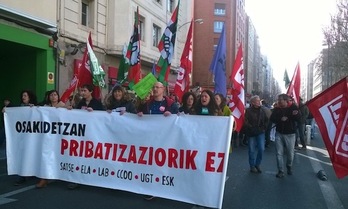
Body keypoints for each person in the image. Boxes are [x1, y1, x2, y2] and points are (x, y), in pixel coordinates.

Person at [137, 82, 179, 200]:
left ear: (163, 89)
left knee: (163, 163)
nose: (155, 89)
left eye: (157, 87)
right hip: (149, 139)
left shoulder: (171, 105)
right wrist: (139, 115)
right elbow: (138, 116)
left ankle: (165, 185)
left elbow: (180, 119)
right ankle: (151, 188)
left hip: (166, 140)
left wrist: (172, 116)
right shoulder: (146, 104)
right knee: (150, 164)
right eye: (153, 87)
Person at [67, 84, 104, 189]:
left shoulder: (97, 103)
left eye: (85, 90)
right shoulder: (80, 103)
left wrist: (94, 113)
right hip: (81, 134)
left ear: (91, 91)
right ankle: (76, 179)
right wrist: (71, 110)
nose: (82, 93)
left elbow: (102, 117)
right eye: (81, 91)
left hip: (93, 134)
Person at [270, 94, 301, 178]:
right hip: (279, 133)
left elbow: (299, 119)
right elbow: (272, 119)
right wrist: (280, 119)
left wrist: (296, 114)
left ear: (285, 100)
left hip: (290, 134)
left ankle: (289, 166)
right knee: (279, 153)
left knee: (290, 153)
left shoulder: (293, 108)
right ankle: (280, 171)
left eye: (280, 99)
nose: (279, 101)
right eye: (278, 99)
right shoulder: (277, 109)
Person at [14, 90, 38, 186]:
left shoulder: (35, 107)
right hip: (22, 137)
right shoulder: (19, 108)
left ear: (29, 97)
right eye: (22, 95)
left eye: (25, 95)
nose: (23, 97)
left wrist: (34, 108)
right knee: (22, 155)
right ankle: (22, 176)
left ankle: (30, 172)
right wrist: (6, 110)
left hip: (32, 137)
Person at [243, 95, 269, 173]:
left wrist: (263, 128)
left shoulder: (262, 110)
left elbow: (266, 120)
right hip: (251, 132)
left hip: (260, 132)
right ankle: (252, 166)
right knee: (251, 150)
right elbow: (245, 121)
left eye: (259, 100)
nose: (259, 102)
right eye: (257, 101)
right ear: (253, 102)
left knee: (261, 148)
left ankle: (257, 164)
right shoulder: (248, 110)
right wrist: (251, 128)